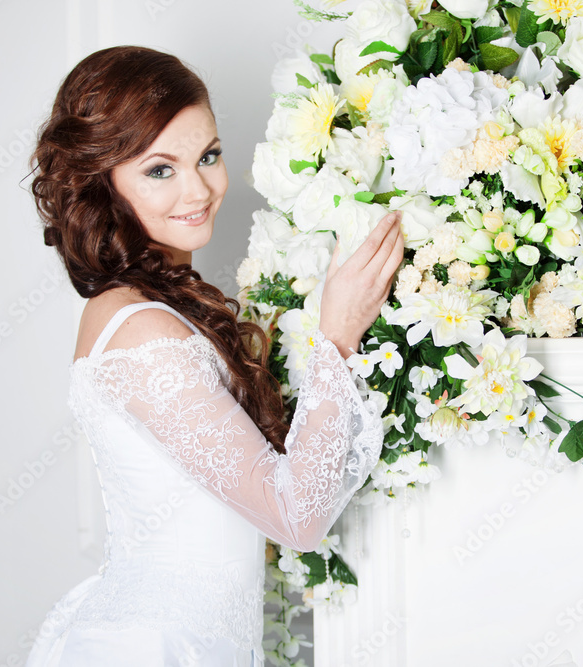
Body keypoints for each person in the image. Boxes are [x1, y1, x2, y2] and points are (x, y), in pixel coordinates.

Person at [25, 45, 403, 666]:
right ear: (101, 181)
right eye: (160, 169)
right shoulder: (143, 331)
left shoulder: (155, 306)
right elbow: (296, 518)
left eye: (208, 156)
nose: (198, 189)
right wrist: (337, 336)